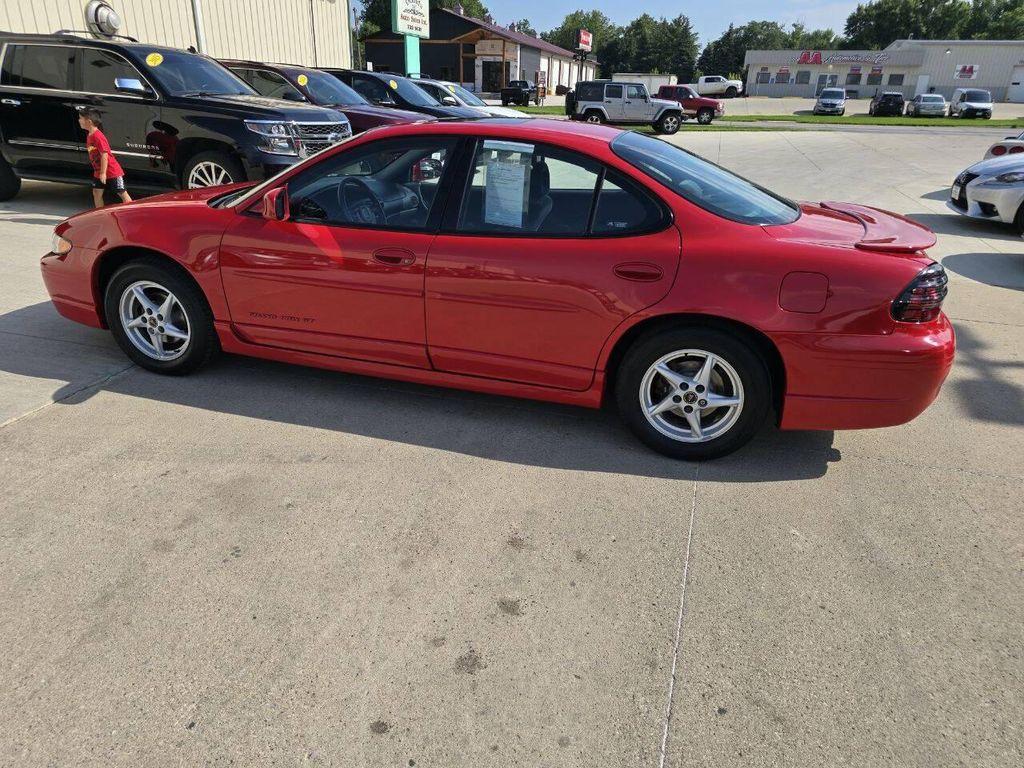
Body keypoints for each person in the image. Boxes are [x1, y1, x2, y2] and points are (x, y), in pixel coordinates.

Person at [78, 108, 132, 207]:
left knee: (122, 192)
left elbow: (104, 154)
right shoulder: (90, 134)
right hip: (98, 171)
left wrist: (103, 173)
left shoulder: (97, 136)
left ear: (89, 122)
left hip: (112, 171)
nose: (79, 120)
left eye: (80, 118)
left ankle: (132, 211)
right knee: (96, 193)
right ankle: (100, 214)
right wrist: (100, 173)